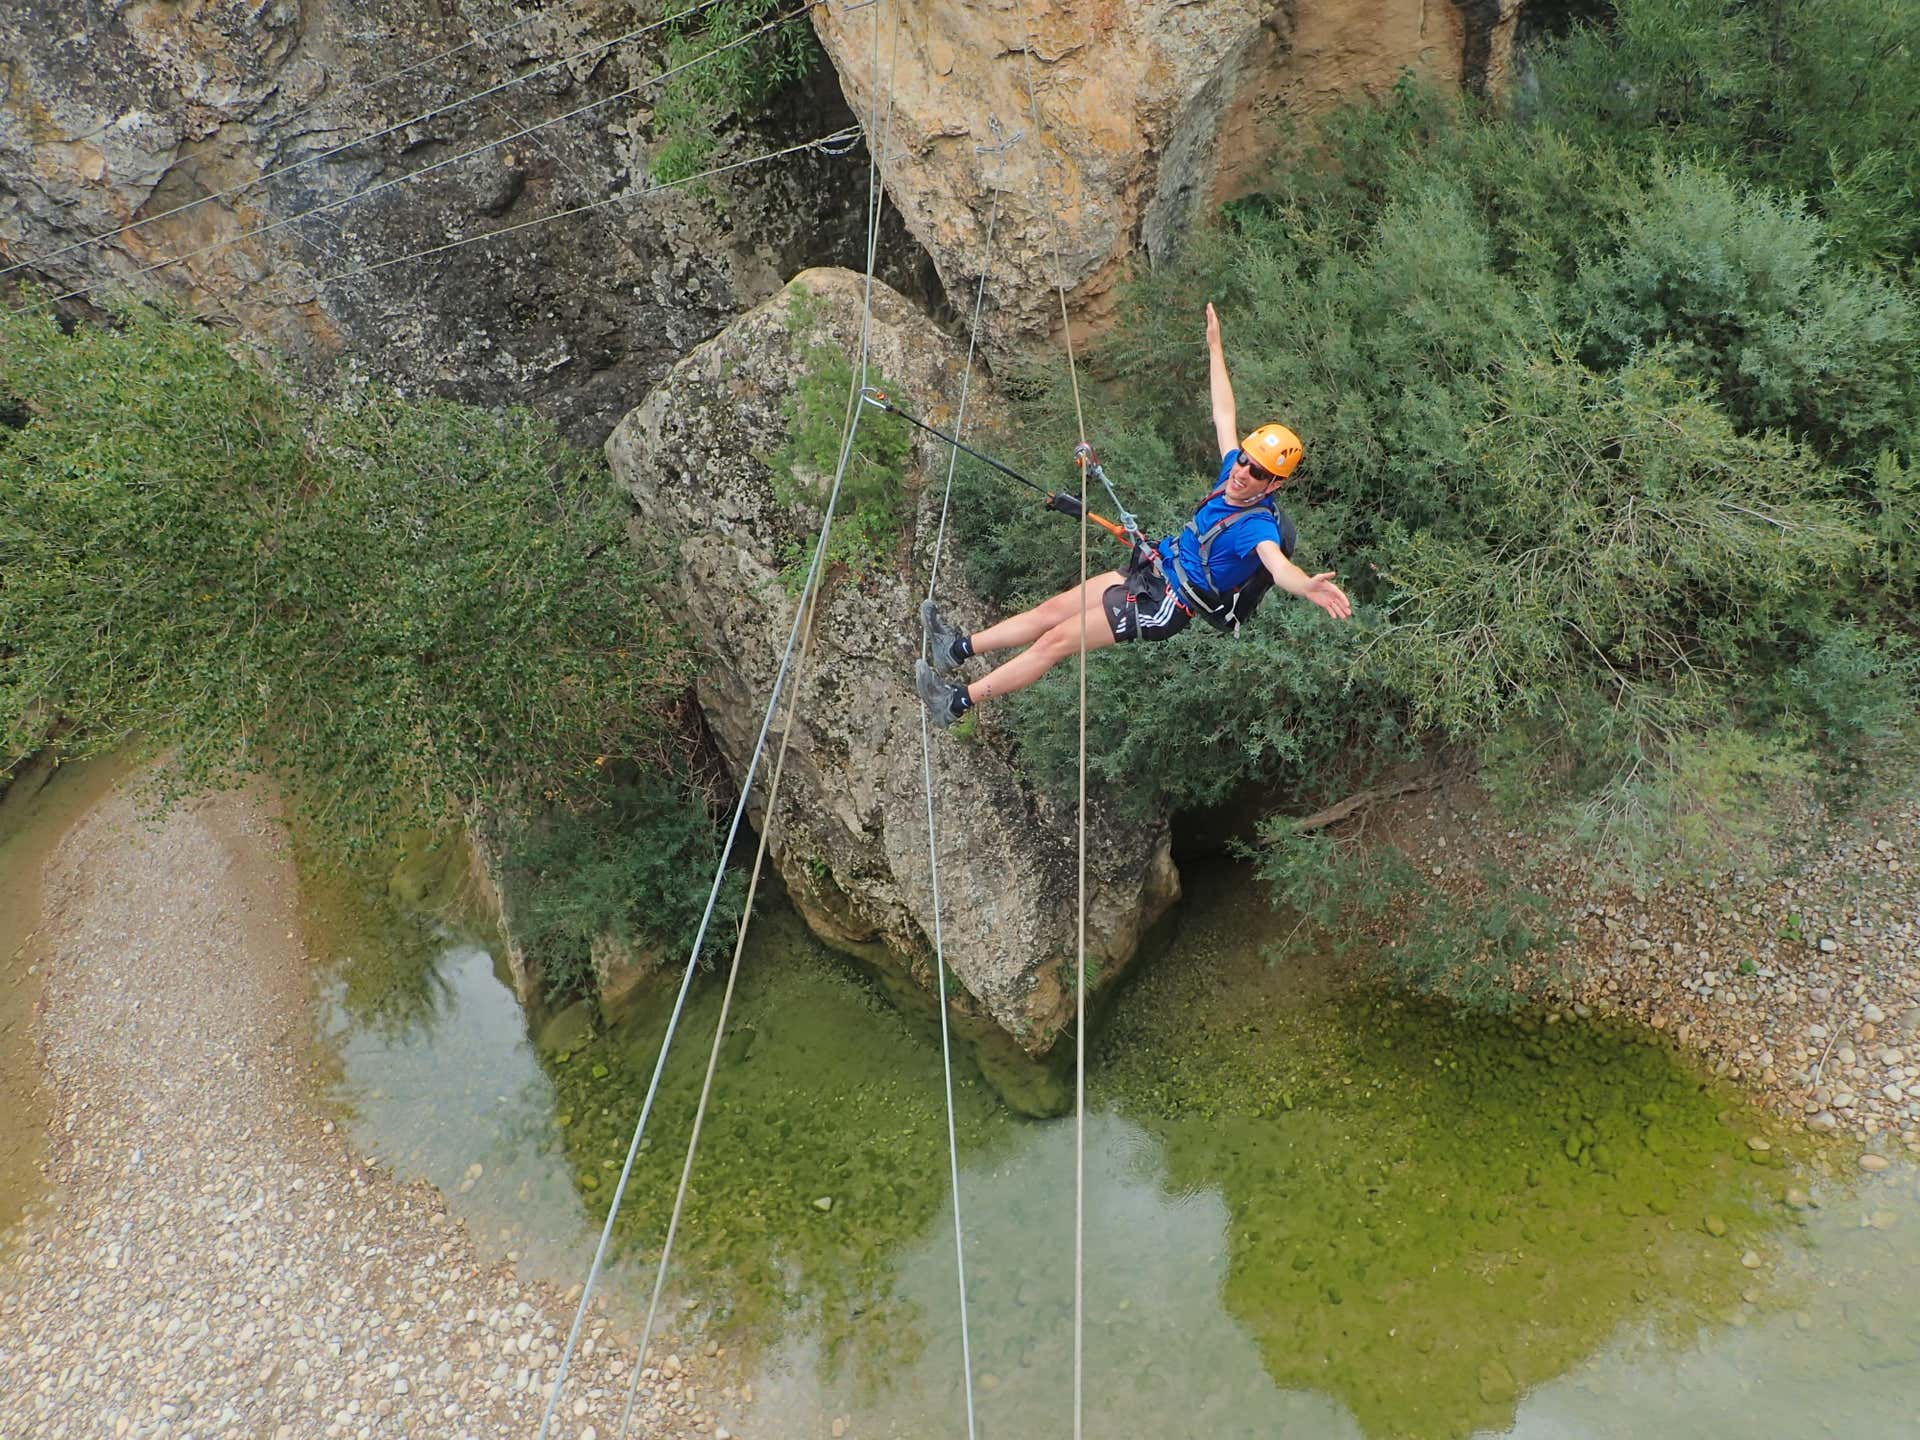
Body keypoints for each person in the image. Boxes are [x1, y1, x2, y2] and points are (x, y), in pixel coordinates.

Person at [914, 302, 1352, 727]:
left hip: (1167, 604)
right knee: (1050, 612)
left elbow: (1277, 565)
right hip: (1153, 569)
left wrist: (1305, 585)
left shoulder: (1256, 525)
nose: (1242, 472)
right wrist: (1215, 348)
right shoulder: (1230, 475)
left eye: (1257, 472)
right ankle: (956, 648)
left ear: (1273, 485)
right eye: (1244, 461)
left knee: (1054, 642)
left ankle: (955, 702)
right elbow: (1224, 415)